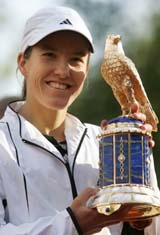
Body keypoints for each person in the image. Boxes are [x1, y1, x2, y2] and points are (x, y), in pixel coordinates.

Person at [0, 6, 159, 235]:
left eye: (76, 59)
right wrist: (72, 224)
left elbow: (151, 228)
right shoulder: (3, 143)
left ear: (87, 69)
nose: (63, 71)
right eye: (49, 55)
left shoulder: (104, 142)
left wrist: (141, 169)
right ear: (23, 63)